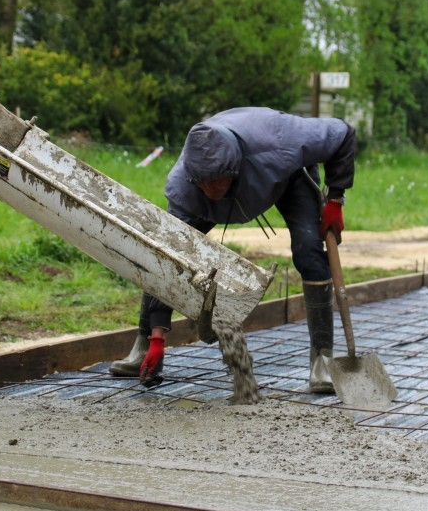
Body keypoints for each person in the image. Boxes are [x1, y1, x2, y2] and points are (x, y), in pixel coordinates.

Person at [109, 107, 356, 393]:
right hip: (213, 196)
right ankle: (142, 347)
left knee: (308, 251)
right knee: (165, 250)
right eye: (204, 182)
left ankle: (322, 360)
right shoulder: (188, 187)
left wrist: (336, 199)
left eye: (217, 181)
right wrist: (156, 339)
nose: (211, 189)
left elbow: (344, 134)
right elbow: (167, 259)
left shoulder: (282, 141)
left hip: (287, 177)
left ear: (235, 168)